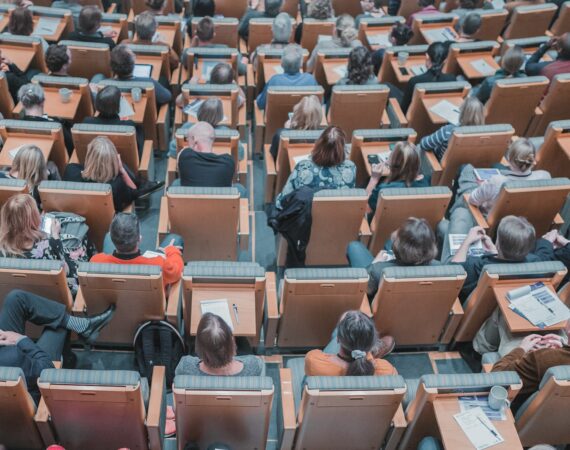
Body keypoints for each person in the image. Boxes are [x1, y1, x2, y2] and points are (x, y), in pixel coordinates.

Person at [0, 289, 115, 403]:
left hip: (9, 355)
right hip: (32, 384)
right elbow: (46, 369)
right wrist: (21, 340)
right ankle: (69, 360)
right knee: (58, 325)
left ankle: (83, 327)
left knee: (16, 299)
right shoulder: (13, 357)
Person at [0, 194, 92, 295]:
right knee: (79, 243)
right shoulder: (49, 246)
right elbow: (65, 272)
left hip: (13, 294)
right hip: (56, 297)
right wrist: (55, 236)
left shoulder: (3, 249)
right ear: (34, 218)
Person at [451, 216, 555, 301]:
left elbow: (454, 273)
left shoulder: (479, 266)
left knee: (460, 215)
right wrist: (495, 253)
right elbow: (546, 253)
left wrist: (467, 240)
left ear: (498, 244)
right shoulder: (538, 265)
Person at [347, 218, 440, 299]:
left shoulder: (377, 271)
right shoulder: (440, 268)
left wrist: (375, 263)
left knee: (354, 246)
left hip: (381, 303)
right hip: (415, 306)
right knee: (388, 242)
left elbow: (362, 290)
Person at [91, 212, 184, 288]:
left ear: (112, 239)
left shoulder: (96, 262)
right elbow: (178, 271)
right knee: (175, 238)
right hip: (150, 309)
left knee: (107, 235)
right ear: (139, 239)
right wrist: (172, 250)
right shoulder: (160, 265)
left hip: (114, 308)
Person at [462, 138, 551, 215]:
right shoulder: (545, 176)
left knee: (466, 168)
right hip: (521, 218)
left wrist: (483, 186)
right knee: (496, 165)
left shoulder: (496, 181)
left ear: (509, 158)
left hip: (489, 218)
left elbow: (472, 200)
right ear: (533, 160)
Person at [275, 125, 356, 209]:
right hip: (336, 217)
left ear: (319, 143)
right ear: (343, 149)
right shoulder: (350, 167)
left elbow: (281, 202)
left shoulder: (303, 167)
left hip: (305, 219)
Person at [304, 311, 397, 376]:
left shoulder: (314, 361)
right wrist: (369, 358)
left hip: (324, 403)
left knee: (345, 320)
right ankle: (372, 353)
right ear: (372, 342)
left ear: (338, 340)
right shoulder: (386, 370)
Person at [491, 322, 570, 398]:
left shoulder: (542, 357)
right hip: (554, 406)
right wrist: (565, 345)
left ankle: (480, 351)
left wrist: (521, 348)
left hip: (513, 398)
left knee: (500, 317)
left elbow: (496, 377)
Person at [63, 136, 139, 212]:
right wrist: (121, 169)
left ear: (89, 156)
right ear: (113, 159)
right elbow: (134, 192)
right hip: (106, 223)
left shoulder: (70, 171)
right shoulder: (116, 185)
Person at [175, 313, 264, 376]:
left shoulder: (185, 367)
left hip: (201, 402)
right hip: (239, 402)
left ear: (198, 346)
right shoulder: (255, 366)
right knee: (244, 340)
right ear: (232, 342)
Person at [366, 142, 430, 216]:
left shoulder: (384, 190)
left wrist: (374, 179)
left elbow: (364, 207)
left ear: (393, 163)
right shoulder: (427, 182)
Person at [82, 85, 144, 155]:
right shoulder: (128, 126)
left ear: (96, 104)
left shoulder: (86, 122)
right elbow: (138, 148)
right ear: (119, 106)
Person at [418, 96, 485, 161]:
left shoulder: (448, 131)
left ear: (462, 113)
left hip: (438, 162)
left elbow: (424, 144)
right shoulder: (485, 135)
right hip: (460, 166)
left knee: (418, 147)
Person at [256, 44, 318, 110]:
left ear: (281, 63)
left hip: (277, 120)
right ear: (301, 64)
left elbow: (260, 104)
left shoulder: (274, 80)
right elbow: (319, 102)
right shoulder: (310, 79)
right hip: (303, 119)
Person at [17, 83, 74, 155]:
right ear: (43, 102)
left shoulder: (15, 126)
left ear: (22, 104)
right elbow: (71, 149)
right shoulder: (57, 127)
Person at [400, 42, 456, 113]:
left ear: (427, 56)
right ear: (445, 60)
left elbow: (403, 109)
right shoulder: (452, 79)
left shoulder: (415, 81)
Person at [176, 121, 235, 188]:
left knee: (176, 183)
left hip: (189, 198)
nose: (187, 142)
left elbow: (180, 172)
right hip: (218, 198)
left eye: (188, 139)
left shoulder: (184, 156)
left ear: (194, 139)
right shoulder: (228, 161)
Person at [269, 94, 323, 162]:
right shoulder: (326, 136)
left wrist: (287, 131)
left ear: (296, 113)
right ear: (319, 116)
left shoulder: (280, 135)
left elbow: (274, 155)